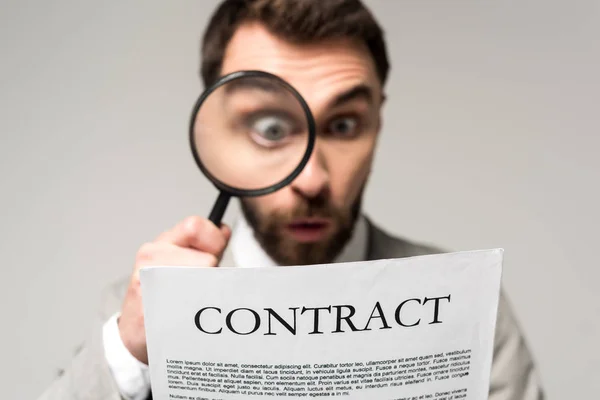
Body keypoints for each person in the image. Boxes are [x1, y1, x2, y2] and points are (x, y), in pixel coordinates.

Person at [37, 1, 545, 399]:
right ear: (216, 125)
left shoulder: (466, 307)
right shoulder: (138, 317)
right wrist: (127, 355)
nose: (312, 178)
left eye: (344, 125)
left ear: (377, 122)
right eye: (271, 127)